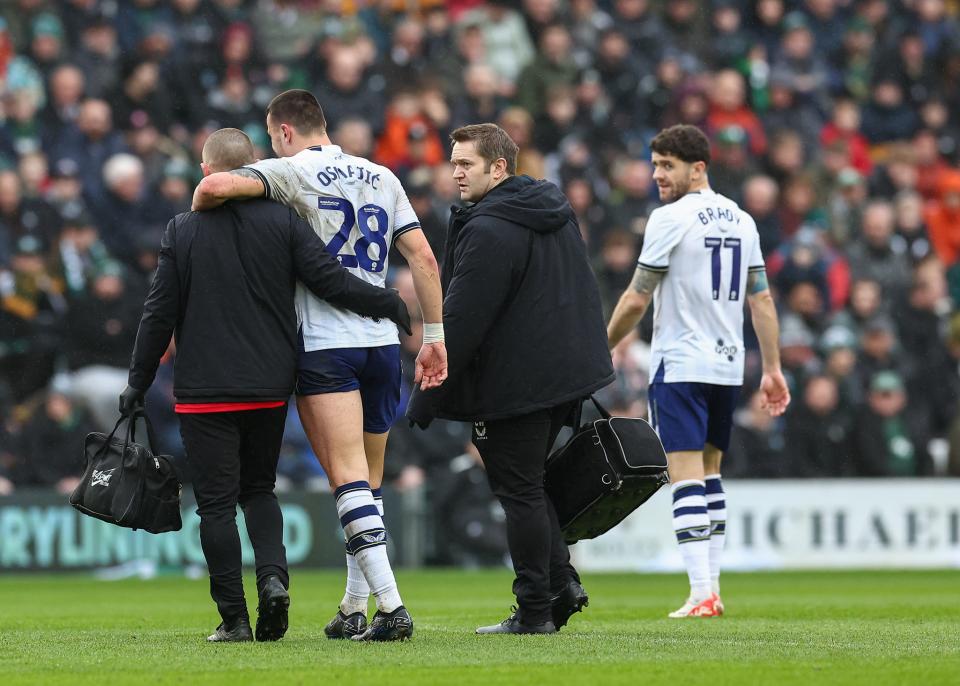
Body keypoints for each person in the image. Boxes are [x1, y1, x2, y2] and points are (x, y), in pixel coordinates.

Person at [122, 128, 411, 643]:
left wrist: (137, 383)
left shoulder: (182, 231)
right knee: (260, 491)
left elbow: (157, 314)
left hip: (203, 392)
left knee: (215, 505)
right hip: (268, 387)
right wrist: (385, 301)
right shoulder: (284, 222)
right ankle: (274, 582)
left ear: (209, 172)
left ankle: (234, 619)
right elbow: (329, 280)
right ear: (252, 169)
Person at [191, 90, 446, 642]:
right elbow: (423, 257)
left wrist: (193, 226)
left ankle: (392, 606)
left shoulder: (289, 171)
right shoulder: (383, 175)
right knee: (369, 485)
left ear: (283, 132)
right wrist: (436, 336)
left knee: (347, 480)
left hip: (326, 343)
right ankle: (355, 605)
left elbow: (214, 185)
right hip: (382, 343)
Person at [407, 123, 615, 635]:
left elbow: (464, 320)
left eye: (465, 164)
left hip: (516, 383)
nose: (454, 172)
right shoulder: (553, 211)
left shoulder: (488, 227)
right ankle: (561, 584)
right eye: (453, 162)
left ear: (498, 167)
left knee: (518, 491)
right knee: (531, 485)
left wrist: (427, 397)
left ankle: (535, 610)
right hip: (561, 376)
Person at [606, 124, 790, 618]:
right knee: (710, 473)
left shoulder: (670, 219)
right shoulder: (743, 220)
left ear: (698, 168)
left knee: (684, 475)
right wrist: (772, 368)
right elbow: (762, 299)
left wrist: (601, 346)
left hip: (682, 362)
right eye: (655, 164)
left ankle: (701, 591)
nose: (657, 174)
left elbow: (636, 297)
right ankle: (712, 588)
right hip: (727, 368)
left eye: (667, 166)